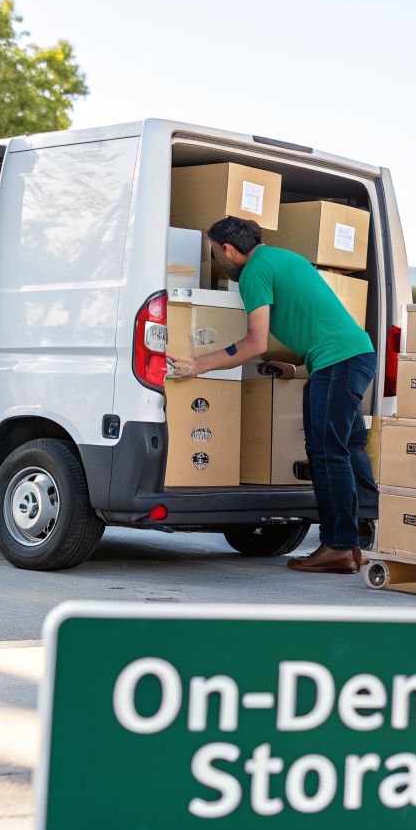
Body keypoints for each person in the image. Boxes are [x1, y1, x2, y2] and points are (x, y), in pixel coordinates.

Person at [168, 216, 377, 574]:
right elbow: (320, 324)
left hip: (338, 363)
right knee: (349, 449)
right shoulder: (284, 258)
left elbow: (255, 342)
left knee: (327, 454)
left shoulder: (253, 274)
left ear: (230, 250)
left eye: (217, 253)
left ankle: (339, 547)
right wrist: (295, 369)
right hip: (353, 356)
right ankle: (362, 538)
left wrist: (197, 365)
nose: (218, 259)